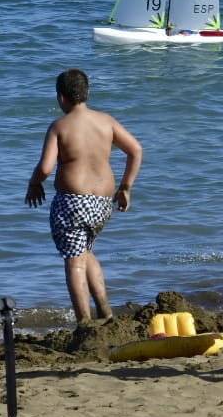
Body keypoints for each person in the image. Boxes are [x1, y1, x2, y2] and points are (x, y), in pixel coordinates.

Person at [26, 69, 143, 324]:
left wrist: (35, 183)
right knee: (86, 252)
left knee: (74, 262)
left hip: (72, 203)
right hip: (102, 205)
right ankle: (106, 313)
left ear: (61, 97)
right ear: (87, 93)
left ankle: (84, 324)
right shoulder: (106, 121)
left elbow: (46, 167)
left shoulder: (59, 126)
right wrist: (125, 187)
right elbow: (135, 149)